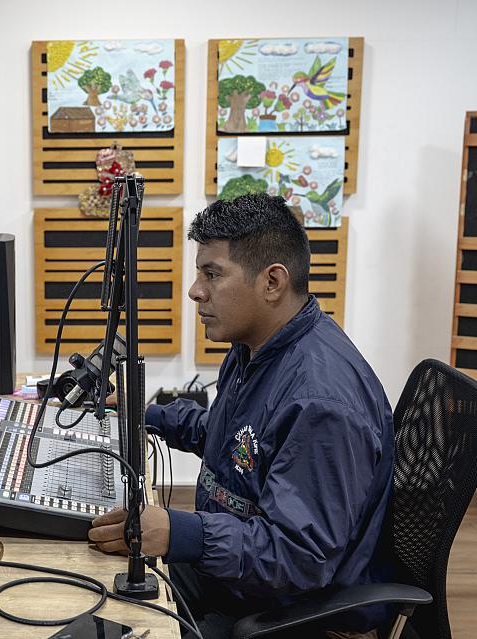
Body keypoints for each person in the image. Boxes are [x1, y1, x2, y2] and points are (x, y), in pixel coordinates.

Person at [88, 194, 394, 638]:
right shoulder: (255, 348)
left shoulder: (322, 404)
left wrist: (180, 533)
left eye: (212, 274)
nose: (195, 290)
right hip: (237, 580)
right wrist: (140, 414)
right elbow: (233, 440)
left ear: (272, 282)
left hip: (287, 613)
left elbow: (298, 557)